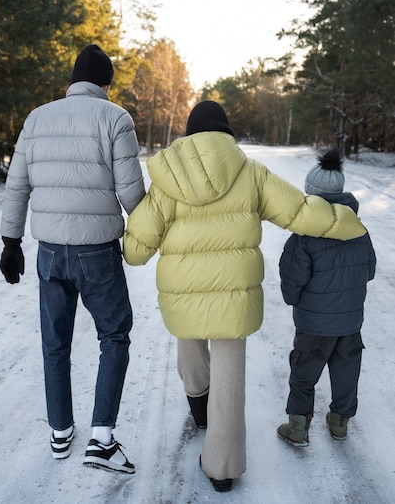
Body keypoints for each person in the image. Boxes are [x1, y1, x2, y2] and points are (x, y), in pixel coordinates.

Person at [122, 101, 367, 492]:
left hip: (183, 291)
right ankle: (223, 467)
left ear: (190, 134)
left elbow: (135, 252)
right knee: (229, 373)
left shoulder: (167, 180)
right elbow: (300, 212)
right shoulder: (250, 172)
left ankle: (198, 403)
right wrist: (347, 223)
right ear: (226, 133)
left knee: (189, 342)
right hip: (234, 296)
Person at [0, 44, 145, 473]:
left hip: (48, 253)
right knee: (115, 336)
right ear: (105, 84)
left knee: (54, 343)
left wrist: (10, 240)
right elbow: (132, 195)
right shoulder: (115, 118)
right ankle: (102, 439)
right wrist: (157, 225)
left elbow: (17, 184)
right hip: (96, 253)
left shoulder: (36, 118)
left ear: (72, 81)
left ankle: (60, 432)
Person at [277, 147, 376, 446]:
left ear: (310, 195)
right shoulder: (359, 230)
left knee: (304, 371)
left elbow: (291, 282)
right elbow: (369, 270)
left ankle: (297, 426)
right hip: (349, 321)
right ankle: (339, 423)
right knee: (347, 370)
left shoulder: (304, 236)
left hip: (313, 324)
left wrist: (295, 298)